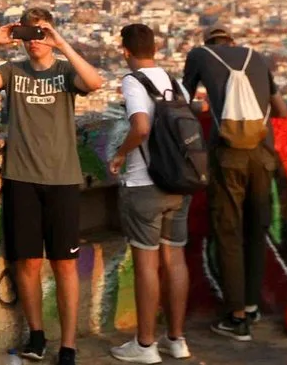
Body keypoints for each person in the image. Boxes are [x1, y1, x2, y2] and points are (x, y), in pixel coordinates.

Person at [0, 5, 107, 365]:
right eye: (28, 35)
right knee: (28, 263)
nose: (35, 42)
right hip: (22, 178)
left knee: (64, 264)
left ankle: (69, 346)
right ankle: (37, 335)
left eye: (40, 34)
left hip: (62, 180)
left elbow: (94, 82)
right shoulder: (13, 72)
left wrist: (62, 44)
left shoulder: (63, 72)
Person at [182, 24, 287, 342]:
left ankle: (236, 316)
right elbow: (281, 109)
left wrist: (206, 106)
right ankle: (252, 305)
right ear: (233, 41)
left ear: (209, 42)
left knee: (228, 232)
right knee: (256, 231)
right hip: (264, 155)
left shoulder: (200, 55)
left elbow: (182, 100)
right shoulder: (257, 57)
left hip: (228, 156)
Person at [109, 23, 191, 364]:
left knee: (146, 263)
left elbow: (141, 127)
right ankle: (177, 339)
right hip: (179, 183)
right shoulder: (174, 82)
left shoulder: (133, 81)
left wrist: (120, 154)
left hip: (145, 184)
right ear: (155, 48)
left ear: (126, 51)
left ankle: (145, 345)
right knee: (174, 260)